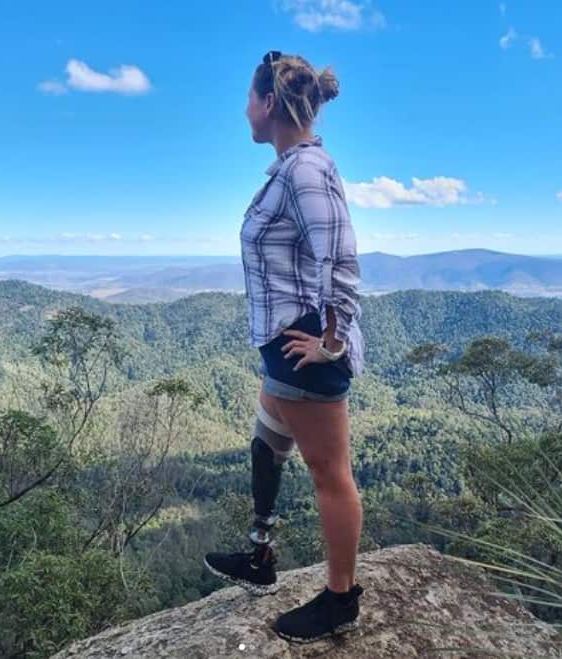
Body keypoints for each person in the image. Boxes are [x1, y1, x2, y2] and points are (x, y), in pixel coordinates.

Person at [204, 50, 366, 643]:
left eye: (249, 100)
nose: (245, 111)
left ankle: (340, 601)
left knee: (330, 474)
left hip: (307, 351)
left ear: (268, 104)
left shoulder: (303, 172)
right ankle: (260, 557)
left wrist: (332, 341)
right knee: (266, 442)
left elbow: (342, 259)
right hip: (285, 346)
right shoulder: (290, 169)